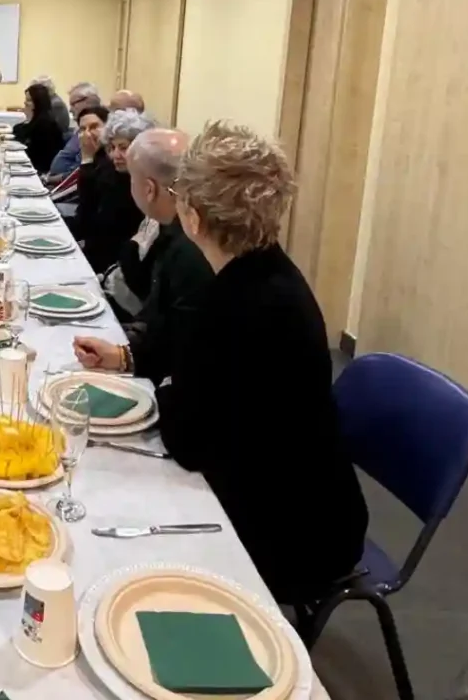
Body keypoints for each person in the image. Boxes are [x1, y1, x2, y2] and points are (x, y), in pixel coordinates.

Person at [155, 120, 367, 603]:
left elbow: (186, 441)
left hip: (294, 533)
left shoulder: (236, 305)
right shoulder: (269, 273)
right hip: (312, 495)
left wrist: (167, 386)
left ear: (193, 217)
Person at [73, 127, 213, 383]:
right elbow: (164, 331)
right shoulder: (180, 230)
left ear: (149, 189)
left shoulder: (188, 247)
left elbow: (184, 356)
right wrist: (121, 356)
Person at [73, 107, 151, 274]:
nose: (116, 155)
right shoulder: (110, 172)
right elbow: (85, 218)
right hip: (95, 256)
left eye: (123, 148)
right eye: (112, 148)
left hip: (115, 269)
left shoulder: (146, 185)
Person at [48, 81, 101, 179]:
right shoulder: (80, 127)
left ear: (88, 101)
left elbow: (78, 172)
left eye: (73, 104)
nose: (70, 110)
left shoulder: (92, 132)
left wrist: (50, 179)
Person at [11, 82, 65, 175]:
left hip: (38, 171)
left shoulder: (46, 125)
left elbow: (32, 152)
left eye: (29, 100)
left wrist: (28, 118)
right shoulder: (39, 119)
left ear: (38, 103)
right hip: (31, 167)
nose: (25, 103)